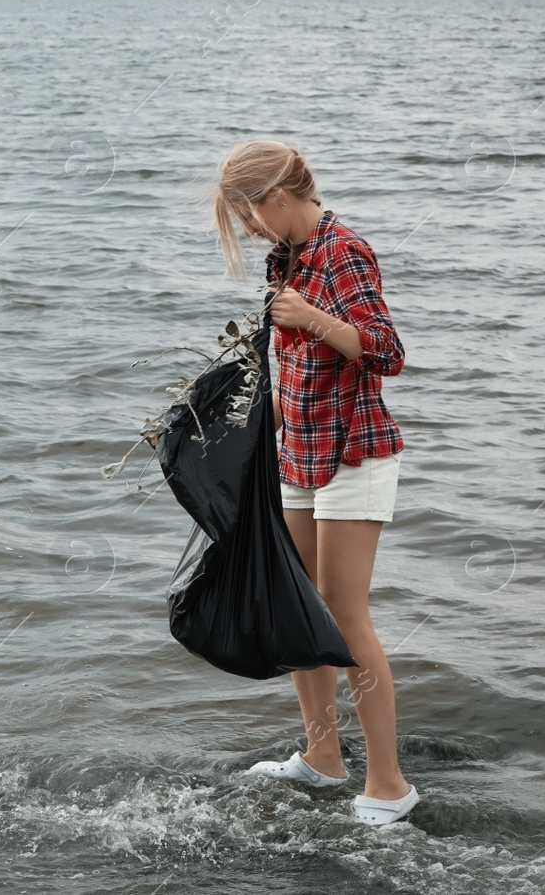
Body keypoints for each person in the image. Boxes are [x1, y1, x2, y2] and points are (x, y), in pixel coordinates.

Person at [210, 139, 417, 827]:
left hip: (356, 452)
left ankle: (388, 784)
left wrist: (316, 320)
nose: (248, 233)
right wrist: (221, 427)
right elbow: (296, 376)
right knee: (299, 604)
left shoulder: (344, 250)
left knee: (344, 613)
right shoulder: (285, 259)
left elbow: (386, 351)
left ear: (274, 198)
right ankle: (324, 757)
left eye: (247, 219)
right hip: (299, 453)